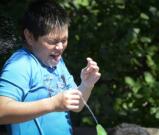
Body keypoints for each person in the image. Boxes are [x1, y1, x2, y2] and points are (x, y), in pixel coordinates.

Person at [0, 0, 101, 135]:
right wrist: (52, 104)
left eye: (64, 40)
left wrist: (86, 85)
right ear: (29, 36)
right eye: (52, 41)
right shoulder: (21, 65)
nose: (60, 47)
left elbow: (76, 106)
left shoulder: (57, 63)